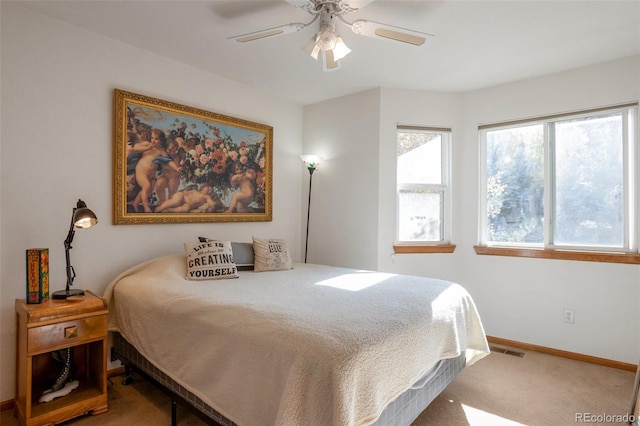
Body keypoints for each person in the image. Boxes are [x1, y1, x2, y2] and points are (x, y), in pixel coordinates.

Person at [155, 184, 223, 213]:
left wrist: (211, 207)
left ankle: (169, 210)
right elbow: (185, 191)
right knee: (176, 201)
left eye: (211, 190)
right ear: (203, 187)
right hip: (182, 196)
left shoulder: (206, 197)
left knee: (186, 209)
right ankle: (160, 207)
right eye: (208, 187)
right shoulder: (195, 190)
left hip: (188, 204)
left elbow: (211, 203)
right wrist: (185, 192)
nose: (209, 189)